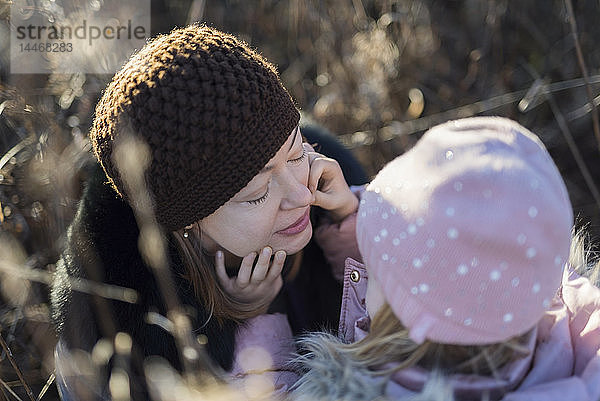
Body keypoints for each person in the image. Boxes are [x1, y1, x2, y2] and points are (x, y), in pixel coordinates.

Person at [50, 25, 362, 400]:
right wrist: (252, 318)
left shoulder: (331, 206)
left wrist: (352, 226)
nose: (300, 194)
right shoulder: (138, 360)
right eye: (257, 193)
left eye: (297, 153)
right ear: (188, 224)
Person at [292, 117, 600, 401]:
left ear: (404, 320)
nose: (368, 276)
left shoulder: (367, 391)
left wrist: (258, 317)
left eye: (375, 272)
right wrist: (351, 219)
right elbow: (450, 269)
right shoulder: (553, 308)